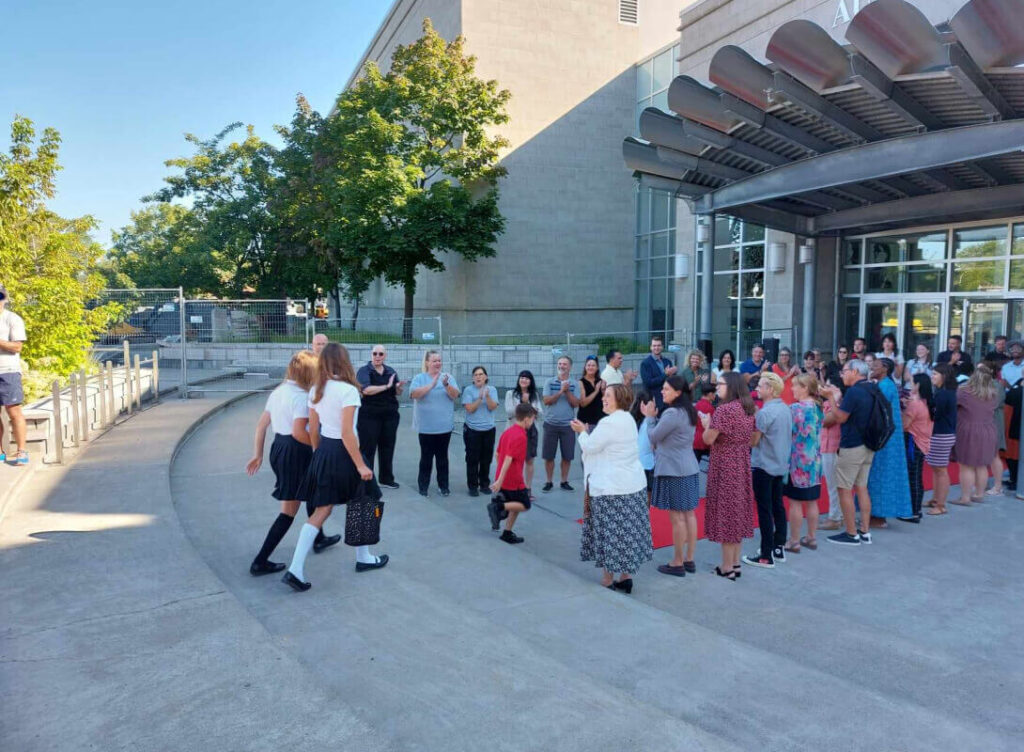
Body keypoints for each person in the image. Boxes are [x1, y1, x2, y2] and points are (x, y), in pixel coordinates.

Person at [286, 344, 387, 591]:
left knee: (322, 509)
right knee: (366, 500)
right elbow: (347, 433)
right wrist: (361, 464)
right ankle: (364, 558)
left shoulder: (315, 390)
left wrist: (318, 454)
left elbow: (313, 428)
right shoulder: (348, 391)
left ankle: (295, 569)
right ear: (344, 361)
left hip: (325, 451)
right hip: (346, 453)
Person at [245, 351, 321, 576]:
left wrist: (258, 455)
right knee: (289, 511)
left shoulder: (279, 392)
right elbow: (299, 432)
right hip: (295, 451)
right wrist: (318, 449)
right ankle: (260, 561)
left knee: (310, 495)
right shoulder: (299, 397)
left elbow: (261, 426)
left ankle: (319, 535)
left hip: (279, 448)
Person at [573, 384, 652, 592]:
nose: (604, 399)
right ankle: (626, 577)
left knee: (610, 535)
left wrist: (582, 432)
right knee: (627, 534)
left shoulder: (608, 423)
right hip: (633, 485)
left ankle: (608, 579)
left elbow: (590, 446)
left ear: (620, 399)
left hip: (611, 488)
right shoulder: (628, 419)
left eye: (608, 396)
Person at [641, 375, 700, 577]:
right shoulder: (688, 410)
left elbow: (653, 436)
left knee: (678, 519)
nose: (662, 392)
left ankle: (677, 562)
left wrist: (649, 418)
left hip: (674, 470)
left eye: (666, 389)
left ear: (677, 392)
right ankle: (689, 558)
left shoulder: (672, 413)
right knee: (689, 515)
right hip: (689, 467)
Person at [700, 372, 757, 580]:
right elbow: (754, 439)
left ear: (731, 386)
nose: (716, 388)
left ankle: (726, 567)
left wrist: (707, 424)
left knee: (726, 515)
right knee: (737, 513)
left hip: (725, 465)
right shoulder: (749, 409)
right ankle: (735, 563)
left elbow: (708, 439)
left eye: (720, 384)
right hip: (742, 462)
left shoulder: (724, 410)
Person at [821, 359, 877, 545]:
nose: (842, 374)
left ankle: (851, 533)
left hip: (853, 445)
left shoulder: (854, 392)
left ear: (854, 371)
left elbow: (840, 418)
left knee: (844, 488)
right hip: (869, 444)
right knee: (861, 488)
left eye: (844, 371)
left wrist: (830, 398)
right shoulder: (872, 388)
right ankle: (865, 532)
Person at [743, 371, 792, 568]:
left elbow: (754, 441)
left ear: (770, 389)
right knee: (777, 506)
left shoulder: (765, 413)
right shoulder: (784, 408)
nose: (757, 388)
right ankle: (777, 547)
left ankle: (765, 555)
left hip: (764, 466)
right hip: (779, 465)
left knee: (765, 510)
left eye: (761, 385)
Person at [866, 358, 912, 525]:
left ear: (884, 368)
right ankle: (875, 513)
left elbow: (875, 409)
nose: (872, 367)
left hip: (885, 439)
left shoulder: (885, 386)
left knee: (881, 475)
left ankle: (879, 515)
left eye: (875, 365)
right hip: (887, 436)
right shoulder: (884, 384)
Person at [410, 350, 460, 497]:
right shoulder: (419, 378)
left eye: (439, 360)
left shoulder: (448, 377)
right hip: (426, 428)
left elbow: (455, 395)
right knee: (426, 458)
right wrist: (431, 385)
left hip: (444, 427)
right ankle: (423, 487)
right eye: (434, 361)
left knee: (442, 458)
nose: (438, 363)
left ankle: (443, 486)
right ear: (427, 363)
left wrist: (446, 385)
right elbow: (414, 395)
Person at [487, 403, 539, 544]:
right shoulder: (521, 436)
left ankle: (507, 533)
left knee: (515, 505)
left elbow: (498, 454)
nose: (533, 421)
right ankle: (498, 507)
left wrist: (499, 476)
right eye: (533, 418)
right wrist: (502, 478)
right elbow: (508, 459)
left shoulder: (507, 432)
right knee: (525, 504)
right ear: (527, 419)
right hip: (514, 480)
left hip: (503, 477)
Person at [784, 374, 824, 552]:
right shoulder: (818, 408)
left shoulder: (795, 409)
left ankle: (794, 541)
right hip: (814, 461)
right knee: (812, 501)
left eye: (795, 386)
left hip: (798, 462)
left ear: (805, 388)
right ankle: (811, 537)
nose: (792, 389)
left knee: (795, 503)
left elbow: (787, 432)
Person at [356, 345, 403, 490]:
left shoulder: (390, 371)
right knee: (367, 449)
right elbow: (366, 390)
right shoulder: (364, 371)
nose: (377, 356)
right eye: (375, 353)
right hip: (369, 416)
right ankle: (366, 481)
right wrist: (387, 386)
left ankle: (386, 478)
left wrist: (398, 388)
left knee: (388, 447)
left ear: (385, 356)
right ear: (371, 355)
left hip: (389, 416)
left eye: (380, 354)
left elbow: (397, 392)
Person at [953, 364, 999, 505]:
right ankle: (979, 494)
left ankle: (965, 498)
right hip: (989, 430)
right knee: (982, 464)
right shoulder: (993, 393)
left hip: (969, 430)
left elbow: (953, 405)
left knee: (966, 465)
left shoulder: (964, 391)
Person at [542, 356, 580, 492]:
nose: (562, 366)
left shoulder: (575, 384)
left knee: (567, 456)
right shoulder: (549, 382)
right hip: (550, 424)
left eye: (565, 364)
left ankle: (564, 481)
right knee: (549, 456)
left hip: (567, 425)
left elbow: (575, 403)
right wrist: (560, 391)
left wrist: (567, 390)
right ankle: (549, 481)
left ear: (570, 367)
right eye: (560, 363)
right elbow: (546, 401)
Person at [899, 373, 933, 523]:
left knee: (913, 478)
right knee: (917, 477)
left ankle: (912, 511)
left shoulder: (915, 404)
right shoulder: (926, 402)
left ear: (918, 385)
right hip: (922, 442)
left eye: (912, 383)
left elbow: (904, 425)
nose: (910, 385)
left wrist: (901, 409)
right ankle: (916, 510)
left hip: (914, 443)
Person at [504, 370, 544, 499]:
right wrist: (524, 404)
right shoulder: (510, 394)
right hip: (515, 431)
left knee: (529, 461)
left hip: (531, 432)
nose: (524, 380)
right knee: (513, 461)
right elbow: (509, 412)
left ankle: (527, 489)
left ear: (530, 381)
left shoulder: (534, 395)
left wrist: (527, 404)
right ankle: (514, 489)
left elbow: (540, 413)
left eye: (527, 378)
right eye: (522, 377)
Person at [0, 284, 28, 466]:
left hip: (7, 371)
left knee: (14, 411)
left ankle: (21, 451)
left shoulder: (12, 319)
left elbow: (17, 346)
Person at [924, 363, 958, 516]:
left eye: (935, 374)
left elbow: (935, 414)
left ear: (944, 376)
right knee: (936, 468)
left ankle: (941, 504)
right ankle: (936, 499)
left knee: (941, 470)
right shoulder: (945, 392)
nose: (932, 377)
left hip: (941, 434)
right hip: (942, 434)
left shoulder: (944, 394)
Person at [461, 366, 499, 497]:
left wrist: (487, 395)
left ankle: (484, 484)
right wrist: (479, 398)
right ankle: (472, 486)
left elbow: (493, 407)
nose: (478, 377)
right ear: (473, 378)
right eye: (476, 375)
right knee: (472, 459)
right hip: (472, 430)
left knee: (486, 459)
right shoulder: (468, 390)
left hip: (488, 430)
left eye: (481, 374)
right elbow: (470, 409)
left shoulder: (492, 390)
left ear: (486, 377)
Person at [817, 380, 844, 532]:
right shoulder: (828, 403)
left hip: (833, 448)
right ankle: (837, 514)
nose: (824, 388)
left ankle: (835, 517)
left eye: (828, 386)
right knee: (832, 484)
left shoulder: (837, 404)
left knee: (834, 484)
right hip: (826, 447)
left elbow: (825, 421)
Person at [985, 355, 1007, 496]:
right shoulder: (980, 386)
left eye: (983, 370)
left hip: (993, 422)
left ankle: (998, 486)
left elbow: (995, 404)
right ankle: (983, 483)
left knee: (994, 455)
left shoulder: (997, 385)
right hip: (982, 423)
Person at [629, 389, 656, 495]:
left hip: (634, 464)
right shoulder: (650, 422)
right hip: (647, 464)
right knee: (646, 497)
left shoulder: (631, 420)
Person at [640, 336, 678, 408]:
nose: (656, 348)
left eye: (658, 345)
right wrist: (665, 374)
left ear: (662, 347)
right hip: (653, 402)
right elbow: (648, 383)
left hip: (668, 401)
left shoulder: (668, 361)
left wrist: (673, 374)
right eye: (654, 346)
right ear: (651, 347)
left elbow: (671, 381)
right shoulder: (645, 363)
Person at [576, 356, 607, 429]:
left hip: (600, 420)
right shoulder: (581, 382)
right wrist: (596, 391)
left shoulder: (601, 381)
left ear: (597, 368)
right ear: (585, 367)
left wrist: (603, 390)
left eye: (593, 365)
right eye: (588, 365)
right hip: (586, 422)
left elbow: (606, 401)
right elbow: (583, 403)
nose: (590, 367)